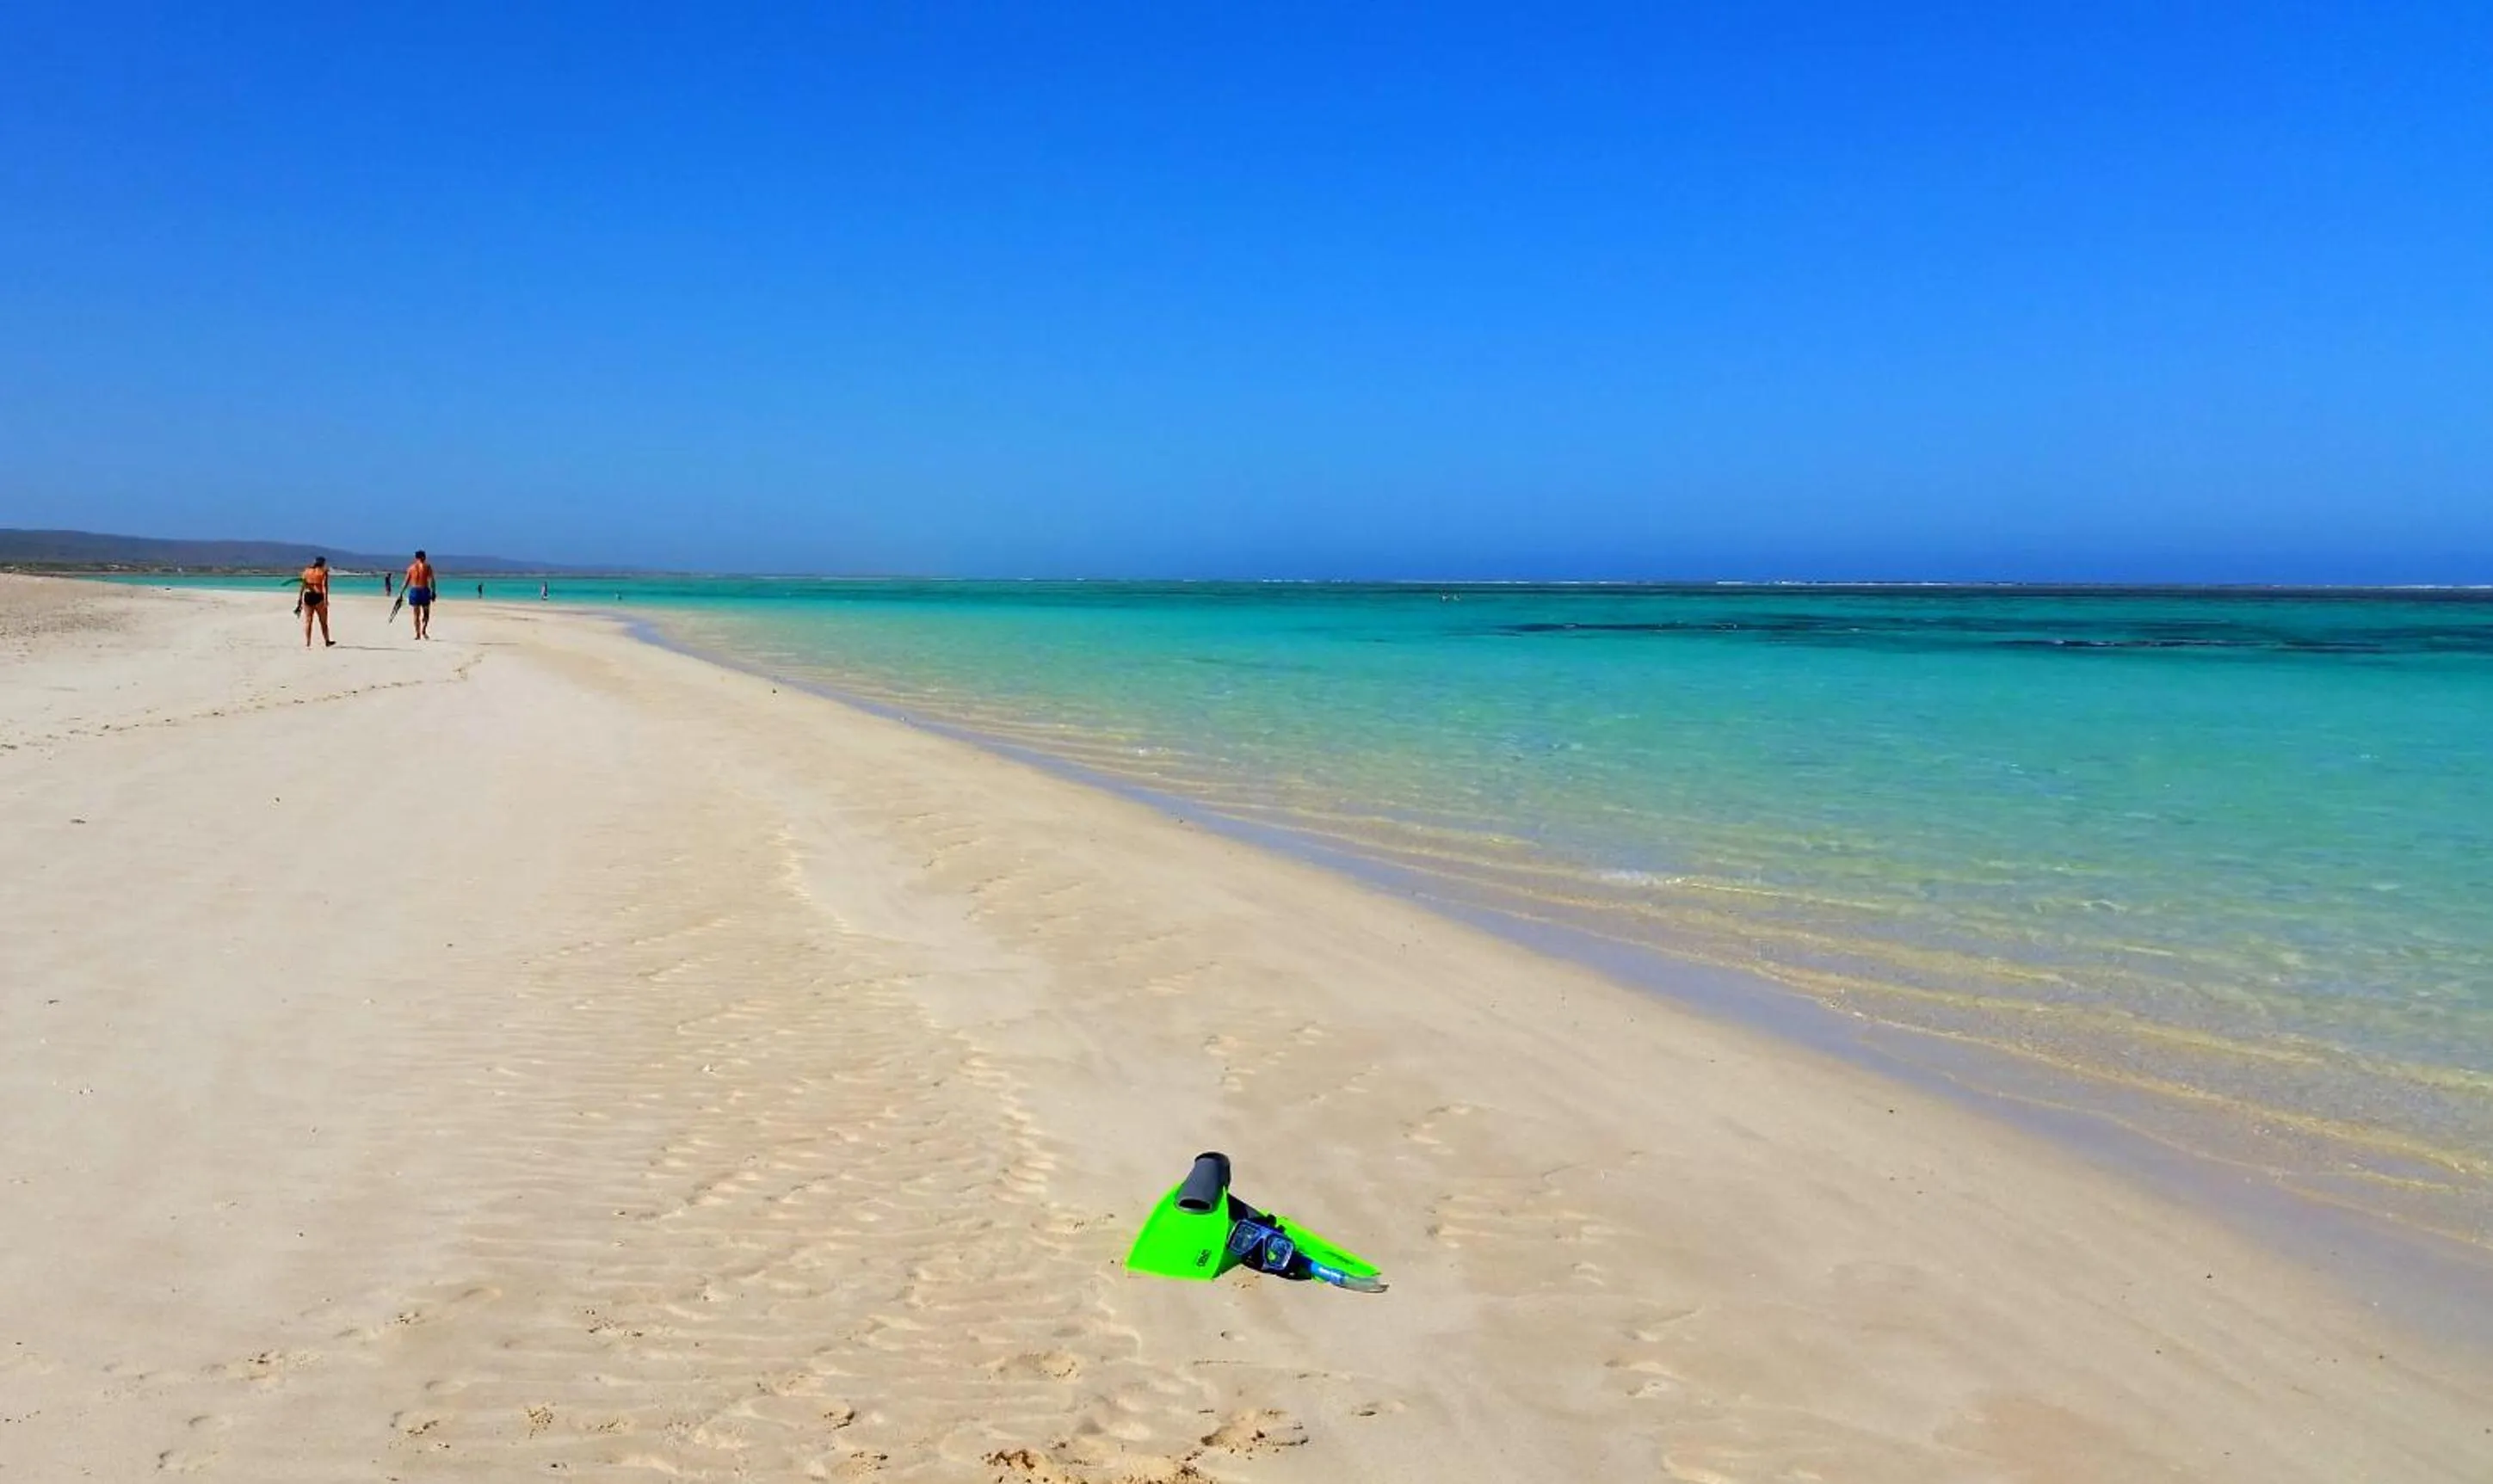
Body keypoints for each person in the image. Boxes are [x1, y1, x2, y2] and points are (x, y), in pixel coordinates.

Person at [297, 557, 334, 648]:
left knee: (308, 621)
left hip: (308, 596)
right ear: (323, 563)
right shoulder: (323, 572)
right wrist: (325, 599)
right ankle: (327, 641)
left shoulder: (306, 571)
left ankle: (308, 642)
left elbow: (302, 586)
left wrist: (300, 598)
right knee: (323, 621)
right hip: (318, 597)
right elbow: (324, 586)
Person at [405, 550, 437, 640]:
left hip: (414, 590)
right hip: (424, 591)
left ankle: (417, 634)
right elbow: (432, 580)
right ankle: (423, 630)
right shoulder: (427, 567)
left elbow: (406, 582)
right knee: (426, 613)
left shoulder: (411, 568)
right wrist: (433, 591)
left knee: (416, 614)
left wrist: (401, 593)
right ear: (423, 557)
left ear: (416, 558)